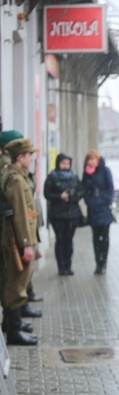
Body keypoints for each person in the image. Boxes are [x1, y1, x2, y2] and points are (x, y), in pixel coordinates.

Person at [1, 138, 40, 345]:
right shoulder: (15, 180)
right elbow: (19, 214)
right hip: (18, 240)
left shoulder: (19, 177)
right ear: (20, 157)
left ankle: (11, 325)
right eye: (29, 155)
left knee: (16, 282)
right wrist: (25, 243)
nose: (32, 158)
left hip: (21, 238)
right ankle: (14, 332)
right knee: (16, 284)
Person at [44, 153, 85, 276]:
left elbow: (81, 191)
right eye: (63, 163)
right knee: (60, 240)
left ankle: (68, 266)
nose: (65, 166)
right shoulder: (52, 177)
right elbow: (47, 194)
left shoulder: (74, 176)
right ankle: (61, 267)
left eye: (67, 163)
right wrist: (60, 196)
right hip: (57, 215)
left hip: (72, 214)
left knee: (69, 240)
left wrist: (72, 197)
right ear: (58, 163)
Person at [82, 150, 115, 275]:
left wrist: (104, 200)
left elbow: (110, 187)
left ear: (98, 160)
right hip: (92, 209)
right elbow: (84, 189)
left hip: (104, 208)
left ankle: (103, 262)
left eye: (93, 159)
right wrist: (89, 201)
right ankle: (98, 263)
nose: (91, 162)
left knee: (104, 237)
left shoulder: (105, 171)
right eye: (89, 159)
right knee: (96, 237)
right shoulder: (86, 173)